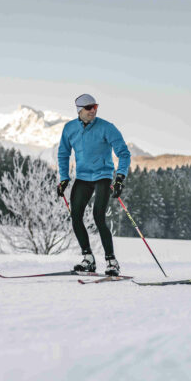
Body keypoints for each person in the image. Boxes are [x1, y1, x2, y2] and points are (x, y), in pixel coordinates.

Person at [57, 94, 131, 276]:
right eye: (89, 107)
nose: (93, 110)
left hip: (103, 176)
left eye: (95, 107)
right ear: (79, 110)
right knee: (75, 216)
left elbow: (124, 153)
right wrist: (64, 178)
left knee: (98, 215)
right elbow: (63, 154)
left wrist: (120, 176)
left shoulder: (107, 127)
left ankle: (111, 261)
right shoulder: (69, 129)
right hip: (82, 177)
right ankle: (88, 259)